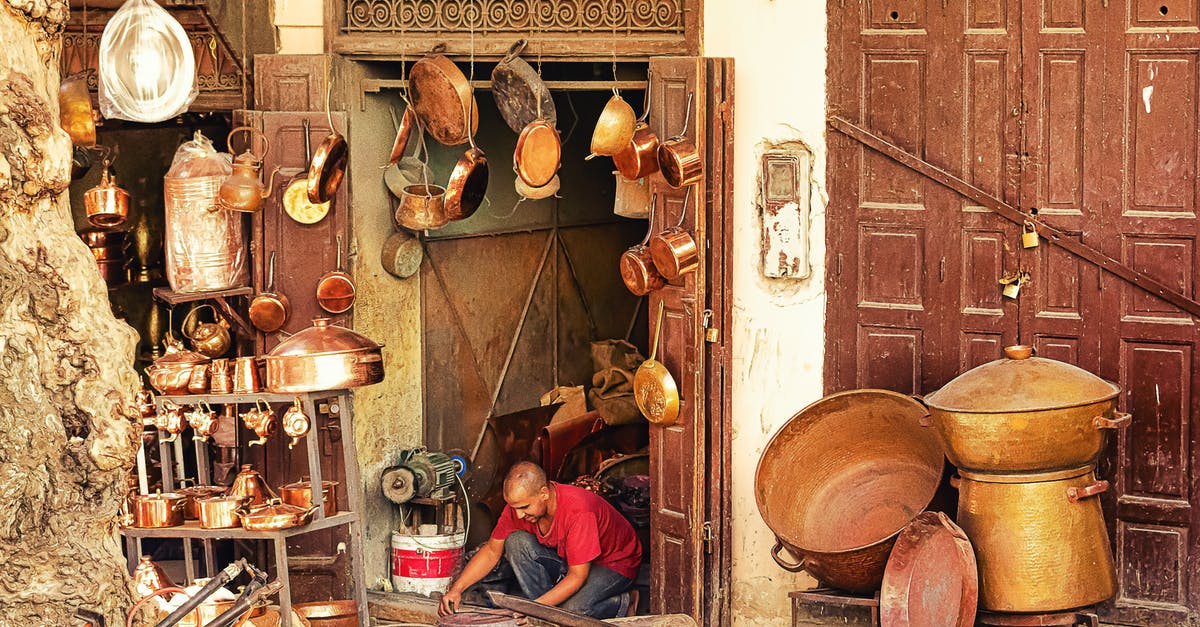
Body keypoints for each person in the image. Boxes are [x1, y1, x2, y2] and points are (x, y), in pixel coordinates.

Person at [438, 461, 642, 619]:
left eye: (524, 508)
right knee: (515, 541)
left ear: (544, 494)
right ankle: (546, 609)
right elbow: (492, 551)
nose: (517, 515)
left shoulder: (578, 511)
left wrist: (534, 609)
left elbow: (578, 576)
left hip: (614, 564)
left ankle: (624, 601)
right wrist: (457, 589)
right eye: (514, 508)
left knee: (571, 613)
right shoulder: (518, 509)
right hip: (571, 559)